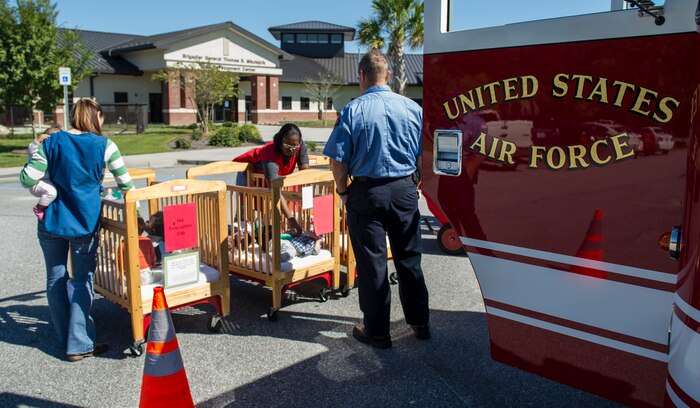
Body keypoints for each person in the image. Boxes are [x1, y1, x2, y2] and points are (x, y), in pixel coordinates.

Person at [323, 50, 429, 349]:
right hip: (404, 190)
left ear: (361, 76)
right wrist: (413, 182)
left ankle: (378, 331)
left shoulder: (353, 110)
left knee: (372, 264)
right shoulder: (412, 108)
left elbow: (338, 161)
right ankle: (420, 322)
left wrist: (343, 191)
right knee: (409, 257)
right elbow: (423, 155)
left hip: (367, 193)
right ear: (389, 76)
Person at [20, 99, 134, 361]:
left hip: (51, 222)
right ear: (98, 117)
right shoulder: (105, 146)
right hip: (84, 223)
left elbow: (28, 178)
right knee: (83, 281)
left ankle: (64, 337)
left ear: (73, 116)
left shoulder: (51, 142)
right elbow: (126, 185)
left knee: (55, 279)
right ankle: (79, 343)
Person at [233, 123, 309, 235]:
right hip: (248, 171)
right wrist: (291, 219)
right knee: (245, 210)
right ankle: (238, 233)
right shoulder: (270, 154)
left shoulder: (299, 146)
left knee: (268, 209)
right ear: (281, 141)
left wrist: (307, 200)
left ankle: (263, 229)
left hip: (266, 176)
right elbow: (275, 190)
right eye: (288, 146)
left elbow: (306, 174)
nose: (292, 150)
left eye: (295, 146)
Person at [24, 124, 61, 221]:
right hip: (36, 183)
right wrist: (38, 140)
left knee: (54, 191)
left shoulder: (51, 153)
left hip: (45, 181)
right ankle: (38, 209)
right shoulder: (38, 151)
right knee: (52, 193)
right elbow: (30, 150)